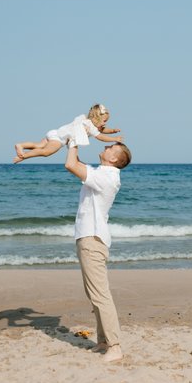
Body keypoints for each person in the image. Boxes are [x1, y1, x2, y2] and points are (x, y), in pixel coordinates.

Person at [64, 138, 132, 362]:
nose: (106, 147)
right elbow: (78, 163)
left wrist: (75, 138)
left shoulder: (106, 177)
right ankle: (103, 341)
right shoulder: (103, 173)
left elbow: (71, 165)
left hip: (92, 239)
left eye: (111, 148)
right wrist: (73, 142)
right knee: (94, 294)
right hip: (89, 238)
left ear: (114, 158)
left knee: (100, 295)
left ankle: (115, 346)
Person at [14, 103, 123, 163]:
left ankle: (21, 145)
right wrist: (114, 139)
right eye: (104, 121)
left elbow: (102, 130)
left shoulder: (85, 120)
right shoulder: (89, 126)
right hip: (59, 139)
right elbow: (100, 136)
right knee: (46, 152)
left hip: (55, 133)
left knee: (38, 145)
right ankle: (24, 156)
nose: (105, 124)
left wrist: (112, 131)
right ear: (97, 118)